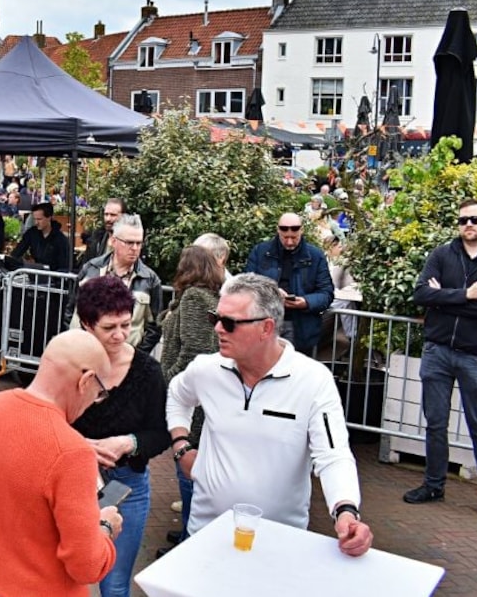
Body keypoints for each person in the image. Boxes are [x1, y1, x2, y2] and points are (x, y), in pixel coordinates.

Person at [165, 273, 373, 556]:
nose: (217, 329)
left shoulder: (312, 380)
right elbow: (177, 395)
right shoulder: (206, 370)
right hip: (205, 535)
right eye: (215, 317)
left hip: (281, 544)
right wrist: (181, 445)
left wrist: (346, 510)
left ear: (266, 328)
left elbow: (333, 454)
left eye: (229, 322)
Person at [0, 330, 120, 597]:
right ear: (86, 381)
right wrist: (104, 527)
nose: (94, 402)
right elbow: (86, 566)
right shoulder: (72, 451)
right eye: (99, 393)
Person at [404, 199, 477, 528]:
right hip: (438, 351)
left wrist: (445, 299)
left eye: (476, 219)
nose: (469, 224)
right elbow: (421, 294)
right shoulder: (442, 254)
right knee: (435, 424)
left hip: (475, 354)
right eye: (463, 219)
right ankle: (434, 486)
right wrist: (466, 294)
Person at [71, 277, 169, 597]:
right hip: (73, 479)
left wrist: (130, 442)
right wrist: (81, 446)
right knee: (66, 575)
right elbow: (46, 419)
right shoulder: (68, 363)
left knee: (114, 583)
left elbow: (161, 431)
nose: (120, 335)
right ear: (87, 324)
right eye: (109, 327)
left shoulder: (147, 372)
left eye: (126, 324)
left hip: (127, 485)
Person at [155, 245, 224, 555]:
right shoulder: (203, 297)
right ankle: (187, 531)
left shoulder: (196, 298)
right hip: (197, 393)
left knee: (187, 463)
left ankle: (189, 541)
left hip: (191, 397)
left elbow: (194, 348)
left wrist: (169, 381)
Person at [244, 212, 334, 354]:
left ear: (301, 231)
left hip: (299, 326)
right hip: (264, 322)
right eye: (285, 237)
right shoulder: (260, 252)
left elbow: (326, 293)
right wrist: (272, 292)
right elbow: (246, 285)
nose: (290, 242)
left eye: (294, 237)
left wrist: (305, 302)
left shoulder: (316, 256)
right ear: (278, 230)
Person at [78, 214, 163, 353]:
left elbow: (155, 327)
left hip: (127, 358)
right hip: (88, 353)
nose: (135, 248)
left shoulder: (150, 279)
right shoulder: (91, 269)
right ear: (113, 241)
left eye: (139, 243)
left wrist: (136, 356)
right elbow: (72, 311)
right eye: (129, 242)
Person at [10, 202, 72, 272]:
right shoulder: (31, 233)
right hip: (37, 275)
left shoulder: (61, 240)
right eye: (35, 219)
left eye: (39, 219)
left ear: (49, 218)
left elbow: (64, 266)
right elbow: (17, 252)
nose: (36, 222)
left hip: (54, 277)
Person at [80, 198, 125, 264]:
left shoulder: (131, 243)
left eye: (113, 215)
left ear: (123, 216)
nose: (108, 219)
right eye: (106, 214)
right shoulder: (95, 241)